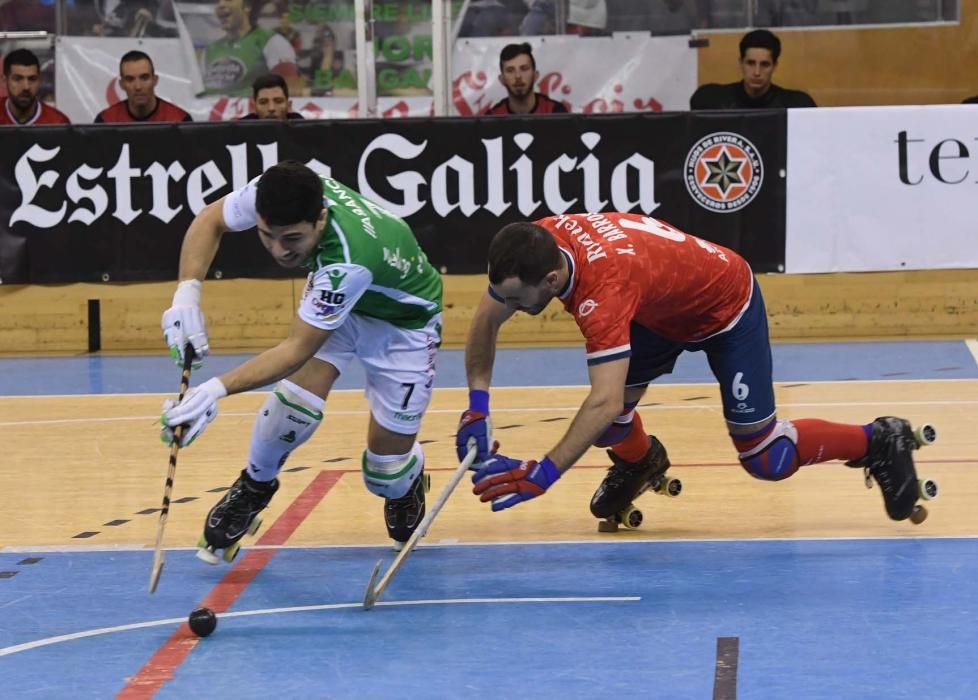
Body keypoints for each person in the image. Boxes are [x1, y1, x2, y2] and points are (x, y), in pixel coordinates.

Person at [455, 212, 931, 527]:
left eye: (520, 299)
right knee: (610, 425)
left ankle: (878, 440)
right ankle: (640, 462)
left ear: (553, 281)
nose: (511, 306)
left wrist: (546, 472)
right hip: (658, 310)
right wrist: (476, 407)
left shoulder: (604, 292)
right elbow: (485, 319)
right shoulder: (536, 244)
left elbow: (600, 401)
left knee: (767, 459)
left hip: (725, 307)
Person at [159, 161, 444, 560]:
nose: (279, 250)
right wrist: (185, 293)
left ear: (321, 219)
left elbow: (297, 349)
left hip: (404, 325)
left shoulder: (347, 259)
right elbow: (210, 219)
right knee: (289, 411)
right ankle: (254, 487)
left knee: (385, 474)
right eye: (266, 236)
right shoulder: (272, 190)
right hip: (340, 299)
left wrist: (213, 390)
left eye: (292, 238)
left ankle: (407, 479)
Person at [690, 29, 816, 109]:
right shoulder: (712, 100)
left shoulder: (796, 104)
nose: (756, 72)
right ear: (741, 63)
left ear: (775, 66)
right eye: (750, 63)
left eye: (764, 64)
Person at [203, 0, 301, 97]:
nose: (221, 5)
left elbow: (290, 89)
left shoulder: (272, 42)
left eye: (229, 0)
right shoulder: (210, 49)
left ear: (247, 6)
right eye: (218, 1)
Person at [94, 50, 192, 123]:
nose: (138, 87)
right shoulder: (106, 121)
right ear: (122, 84)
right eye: (130, 79)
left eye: (144, 78)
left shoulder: (180, 120)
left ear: (155, 80)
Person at [485, 42, 568, 115]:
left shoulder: (555, 112)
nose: (518, 76)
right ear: (502, 79)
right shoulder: (493, 116)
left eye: (524, 69)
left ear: (535, 75)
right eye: (510, 70)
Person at [0, 49, 70, 126]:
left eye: (32, 79)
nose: (26, 87)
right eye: (18, 79)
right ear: (4, 81)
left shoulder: (58, 122)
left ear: (40, 81)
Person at [238, 73, 304, 120]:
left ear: (288, 105)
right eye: (263, 102)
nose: (271, 108)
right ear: (254, 107)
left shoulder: (304, 133)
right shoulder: (239, 134)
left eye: (278, 101)